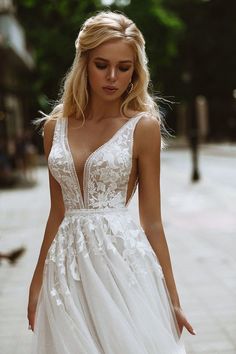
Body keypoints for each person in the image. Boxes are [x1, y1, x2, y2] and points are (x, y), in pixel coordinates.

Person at [28, 10, 196, 353]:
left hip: (121, 265)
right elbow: (57, 212)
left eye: (124, 67)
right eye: (102, 64)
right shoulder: (53, 128)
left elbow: (152, 222)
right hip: (66, 268)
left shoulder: (143, 127)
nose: (113, 77)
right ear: (84, 63)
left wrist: (172, 298)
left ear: (136, 71)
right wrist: (36, 283)